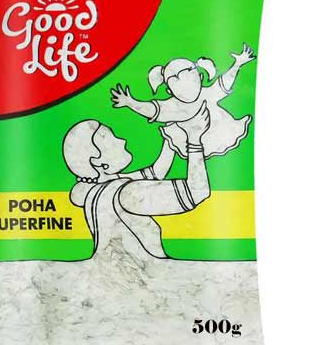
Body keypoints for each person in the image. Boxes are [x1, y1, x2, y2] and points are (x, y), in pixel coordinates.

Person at [62, 101, 211, 259]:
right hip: (140, 273)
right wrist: (194, 139)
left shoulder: (99, 190)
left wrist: (169, 140)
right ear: (98, 161)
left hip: (116, 271)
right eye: (112, 139)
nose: (123, 141)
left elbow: (155, 174)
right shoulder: (127, 193)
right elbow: (197, 192)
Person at [111, 43, 256, 158]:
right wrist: (130, 102)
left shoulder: (206, 94)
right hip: (188, 140)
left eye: (189, 78)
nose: (186, 87)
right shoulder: (174, 106)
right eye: (176, 82)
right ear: (169, 91)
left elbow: (223, 84)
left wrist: (237, 64)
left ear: (200, 77)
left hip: (218, 131)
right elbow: (154, 110)